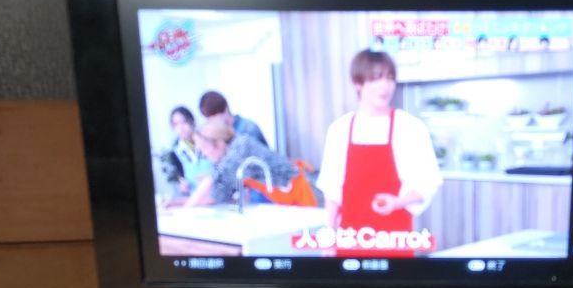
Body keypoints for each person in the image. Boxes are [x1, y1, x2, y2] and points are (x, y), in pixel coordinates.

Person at [316, 49, 442, 257]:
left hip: (396, 239)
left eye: (390, 78)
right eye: (376, 78)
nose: (385, 86)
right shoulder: (340, 129)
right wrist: (328, 238)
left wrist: (397, 202)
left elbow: (428, 183)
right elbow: (332, 190)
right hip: (350, 242)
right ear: (358, 83)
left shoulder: (410, 127)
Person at [179, 116, 315, 209]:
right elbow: (220, 194)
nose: (203, 154)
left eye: (203, 148)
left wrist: (185, 210)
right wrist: (182, 204)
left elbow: (213, 180)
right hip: (286, 198)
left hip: (304, 190)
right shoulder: (225, 159)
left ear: (219, 143)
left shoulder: (240, 148)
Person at [161, 106, 212, 196]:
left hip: (215, 193)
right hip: (195, 197)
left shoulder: (208, 140)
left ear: (192, 121)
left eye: (184, 122)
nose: (181, 127)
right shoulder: (174, 153)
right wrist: (182, 185)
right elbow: (179, 181)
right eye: (176, 124)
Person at [198, 90, 269, 148]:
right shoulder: (218, 135)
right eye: (209, 121)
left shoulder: (248, 129)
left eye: (214, 119)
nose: (212, 124)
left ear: (225, 110)